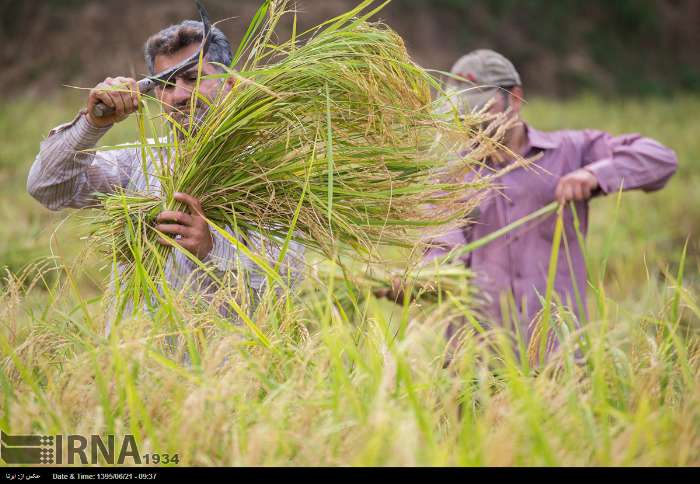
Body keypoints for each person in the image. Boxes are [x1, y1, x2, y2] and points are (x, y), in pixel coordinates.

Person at [384, 49, 678, 353]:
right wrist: (422, 281)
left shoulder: (569, 151)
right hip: (478, 357)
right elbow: (441, 247)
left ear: (515, 98)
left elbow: (660, 159)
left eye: (482, 108)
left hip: (556, 350)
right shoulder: (452, 176)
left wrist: (594, 174)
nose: (472, 121)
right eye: (463, 111)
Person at [27, 20, 304, 333]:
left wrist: (213, 248)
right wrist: (92, 123)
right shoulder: (140, 164)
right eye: (167, 84)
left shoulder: (269, 171)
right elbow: (47, 188)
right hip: (136, 368)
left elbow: (289, 276)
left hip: (229, 370)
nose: (180, 96)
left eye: (193, 78)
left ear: (230, 84)